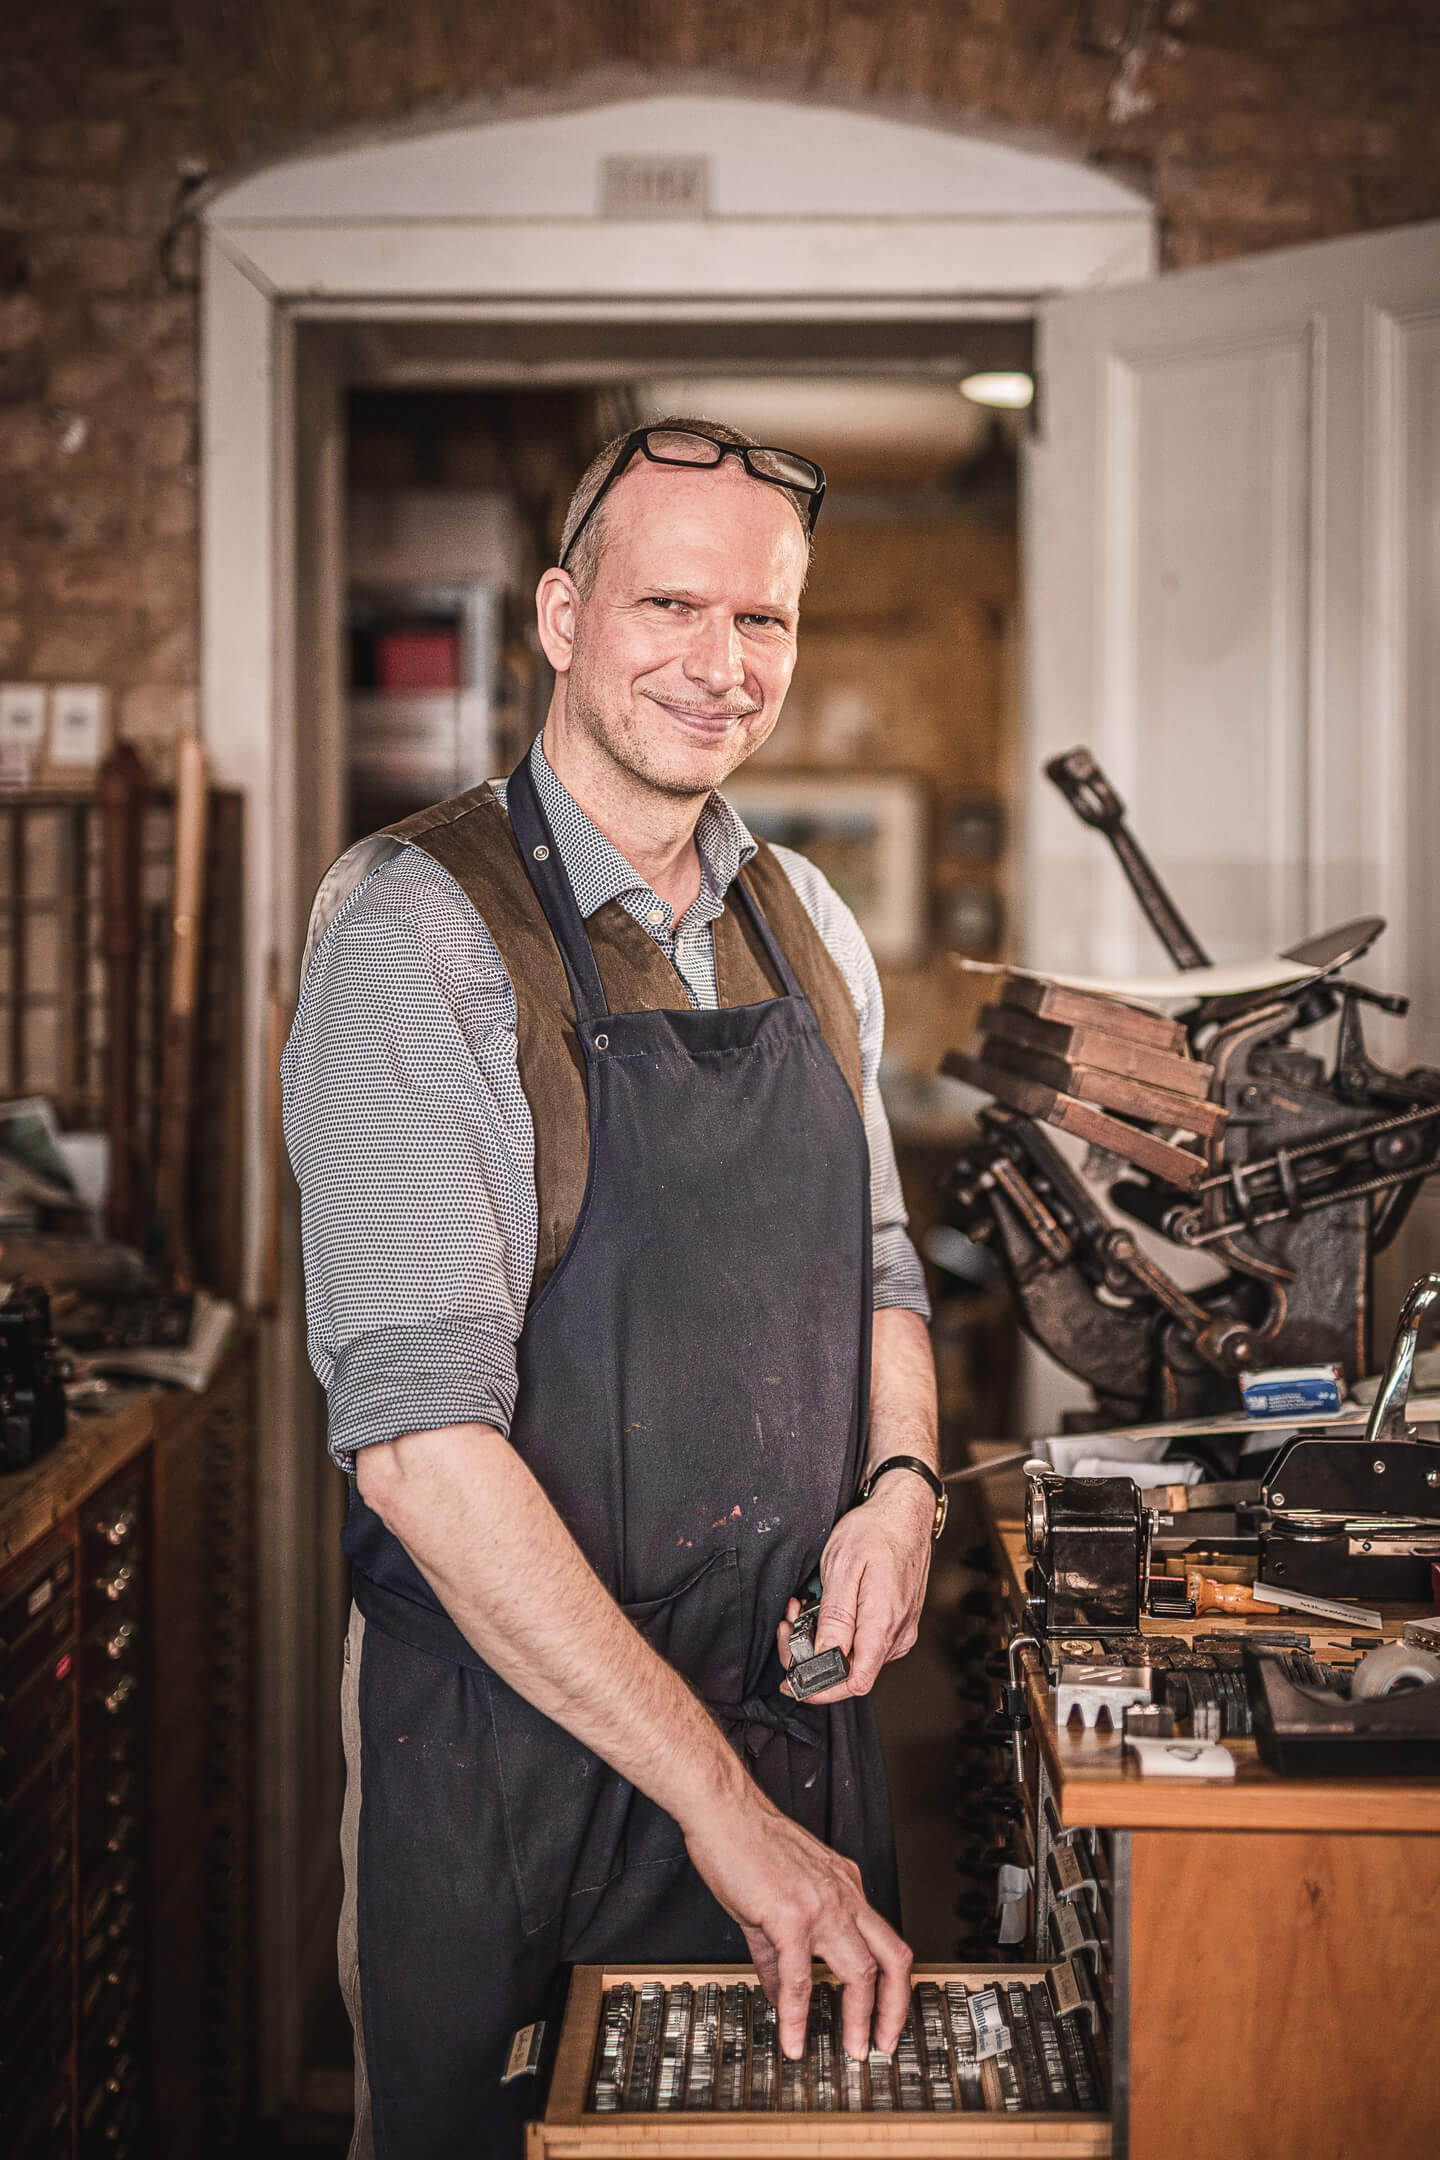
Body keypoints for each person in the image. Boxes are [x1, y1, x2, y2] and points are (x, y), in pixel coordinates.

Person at [283, 419, 945, 2159]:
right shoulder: (416, 931)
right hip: (515, 1769)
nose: (724, 668)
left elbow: (878, 1263)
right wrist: (715, 1807)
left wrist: (902, 1489)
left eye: (767, 623)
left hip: (789, 1727)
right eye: (673, 605)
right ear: (564, 616)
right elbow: (421, 1450)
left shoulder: (805, 916)